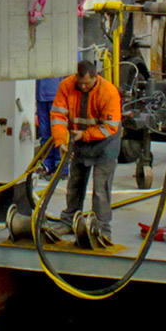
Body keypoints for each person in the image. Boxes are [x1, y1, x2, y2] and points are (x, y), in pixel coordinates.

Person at [51, 57, 122, 248]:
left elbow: (110, 127)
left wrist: (86, 134)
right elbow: (58, 115)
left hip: (104, 143)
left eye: (87, 83)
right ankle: (68, 221)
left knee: (101, 188)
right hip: (78, 139)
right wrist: (61, 141)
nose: (83, 87)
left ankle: (102, 229)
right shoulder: (66, 86)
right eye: (80, 83)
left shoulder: (109, 92)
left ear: (95, 78)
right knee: (75, 182)